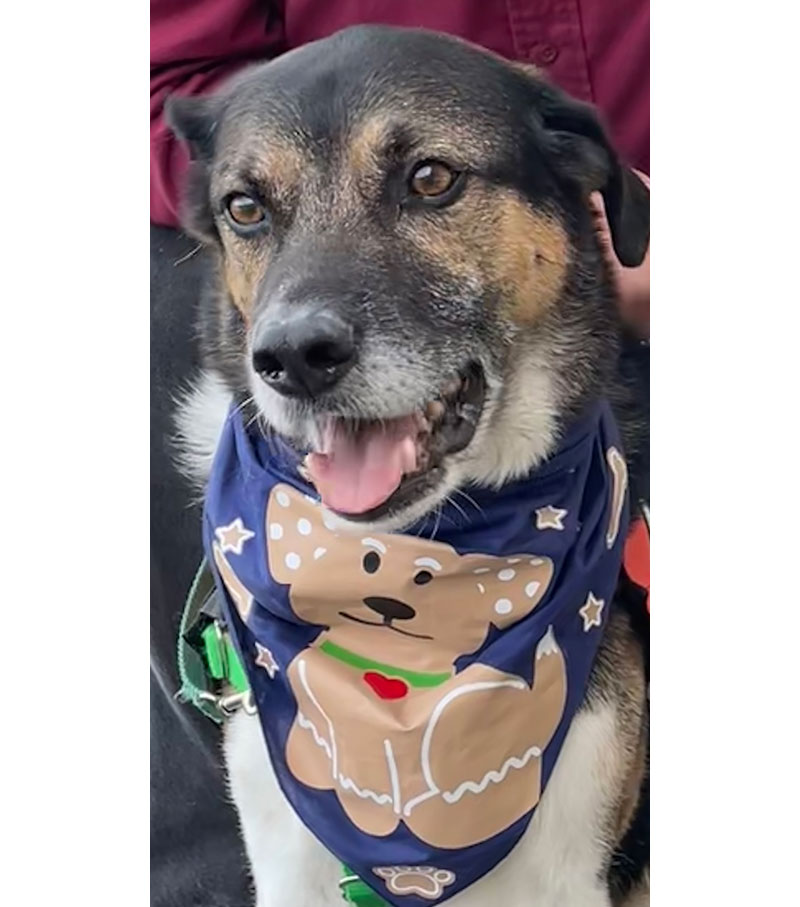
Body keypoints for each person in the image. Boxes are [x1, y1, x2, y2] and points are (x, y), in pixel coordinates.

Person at [150, 4, 649, 905]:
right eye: (253, 209)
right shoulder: (257, 575)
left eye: (427, 182)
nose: (294, 332)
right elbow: (161, 76)